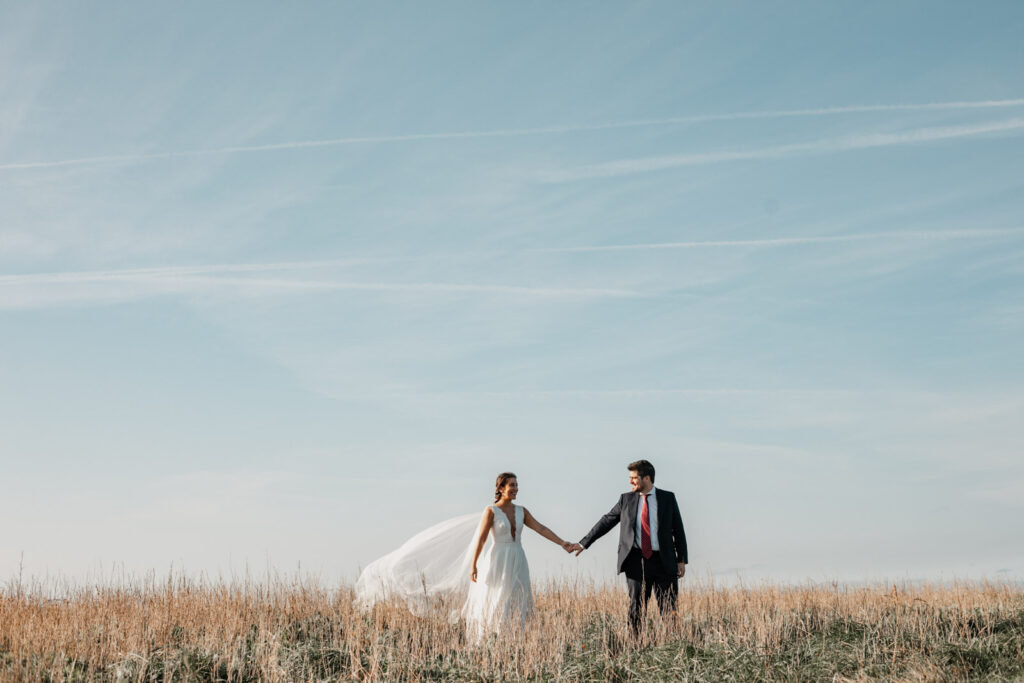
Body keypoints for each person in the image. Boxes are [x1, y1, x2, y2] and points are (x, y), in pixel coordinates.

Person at [355, 472, 574, 641]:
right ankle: (494, 637)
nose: (516, 488)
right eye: (512, 485)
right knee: (497, 597)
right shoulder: (491, 511)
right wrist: (474, 566)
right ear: (501, 488)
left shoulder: (522, 511)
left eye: (517, 485)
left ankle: (515, 637)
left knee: (518, 596)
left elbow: (541, 528)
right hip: (498, 558)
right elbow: (480, 540)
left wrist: (562, 543)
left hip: (518, 558)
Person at [568, 459, 688, 636]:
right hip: (636, 562)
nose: (630, 481)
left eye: (634, 477)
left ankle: (675, 648)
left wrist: (681, 560)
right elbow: (606, 521)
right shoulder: (626, 499)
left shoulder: (667, 498)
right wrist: (584, 543)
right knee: (636, 609)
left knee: (669, 610)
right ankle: (634, 648)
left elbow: (678, 530)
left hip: (664, 562)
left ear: (646, 478)